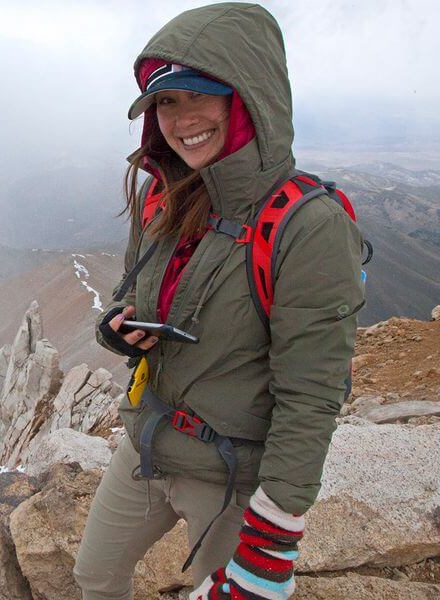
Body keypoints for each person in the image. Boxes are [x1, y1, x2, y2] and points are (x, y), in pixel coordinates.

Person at [73, 3, 365, 600]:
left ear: (249, 97)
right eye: (166, 103)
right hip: (149, 440)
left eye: (200, 95)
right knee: (94, 578)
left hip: (233, 474)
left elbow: (311, 398)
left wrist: (270, 543)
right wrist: (119, 329)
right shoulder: (166, 195)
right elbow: (136, 289)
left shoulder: (308, 225)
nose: (182, 120)